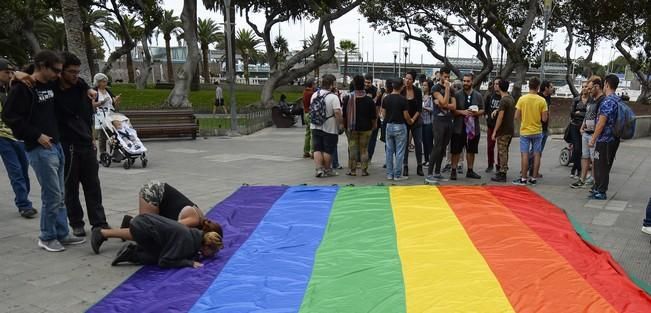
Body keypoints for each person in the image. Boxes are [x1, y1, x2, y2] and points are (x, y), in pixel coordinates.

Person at [2, 50, 86, 252]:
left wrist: (90, 90)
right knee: (52, 195)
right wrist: (36, 135)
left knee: (60, 193)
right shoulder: (23, 88)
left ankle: (61, 233)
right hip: (39, 148)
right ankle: (47, 236)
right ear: (42, 66)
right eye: (55, 70)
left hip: (55, 145)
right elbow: (10, 117)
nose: (59, 74)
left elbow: (77, 83)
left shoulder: (48, 84)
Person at [56, 52, 110, 237]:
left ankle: (99, 223)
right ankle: (76, 222)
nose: (75, 75)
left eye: (77, 72)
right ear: (60, 71)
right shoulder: (52, 89)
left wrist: (92, 138)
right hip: (67, 144)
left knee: (93, 186)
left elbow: (88, 116)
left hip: (86, 143)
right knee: (70, 187)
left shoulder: (80, 86)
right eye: (71, 72)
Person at [91, 180, 222, 253]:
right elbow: (168, 231)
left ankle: (129, 221)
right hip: (153, 193)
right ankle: (102, 233)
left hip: (161, 193)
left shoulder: (202, 220)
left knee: (149, 231)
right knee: (147, 233)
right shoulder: (193, 220)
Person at [110, 213, 223, 268]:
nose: (213, 255)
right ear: (206, 246)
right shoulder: (187, 242)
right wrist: (190, 263)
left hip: (143, 221)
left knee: (164, 247)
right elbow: (165, 262)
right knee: (156, 258)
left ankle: (136, 248)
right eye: (213, 252)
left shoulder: (194, 234)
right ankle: (131, 254)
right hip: (142, 228)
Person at [0, 58, 37, 218]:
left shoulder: (15, 88)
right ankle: (24, 204)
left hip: (19, 136)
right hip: (3, 137)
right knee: (16, 172)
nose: (9, 75)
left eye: (11, 72)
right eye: (5, 72)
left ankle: (23, 199)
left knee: (23, 171)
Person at [588, 74, 621, 200]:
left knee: (601, 165)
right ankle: (598, 188)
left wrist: (593, 139)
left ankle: (601, 191)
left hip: (605, 139)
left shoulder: (607, 101)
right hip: (613, 138)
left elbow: (601, 123)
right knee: (603, 164)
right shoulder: (617, 100)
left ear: (606, 84)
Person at [513, 77, 548, 185]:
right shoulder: (542, 100)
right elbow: (544, 119)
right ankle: (533, 178)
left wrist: (524, 120)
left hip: (525, 131)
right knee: (537, 154)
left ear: (529, 86)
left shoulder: (522, 99)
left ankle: (523, 178)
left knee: (525, 154)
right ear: (538, 87)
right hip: (537, 131)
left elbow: (516, 116)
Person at [571, 76, 603, 189]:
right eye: (587, 88)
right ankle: (582, 178)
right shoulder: (591, 100)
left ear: (597, 87)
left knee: (594, 159)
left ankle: (593, 180)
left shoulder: (601, 101)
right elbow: (588, 114)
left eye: (590, 89)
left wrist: (594, 136)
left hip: (594, 134)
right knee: (584, 156)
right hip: (586, 132)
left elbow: (601, 120)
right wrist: (583, 126)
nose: (588, 91)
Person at [425, 68, 456, 184]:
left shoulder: (452, 90)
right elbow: (443, 102)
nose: (447, 79)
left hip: (448, 120)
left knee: (443, 147)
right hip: (438, 121)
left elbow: (453, 106)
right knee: (437, 146)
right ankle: (429, 174)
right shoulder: (435, 88)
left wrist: (444, 104)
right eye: (445, 77)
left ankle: (437, 172)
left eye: (448, 77)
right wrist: (447, 89)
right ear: (441, 76)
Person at [451, 73, 484, 180]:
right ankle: (453, 170)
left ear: (472, 82)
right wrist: (463, 112)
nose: (465, 83)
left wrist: (476, 113)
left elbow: (483, 109)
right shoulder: (457, 95)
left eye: (467, 81)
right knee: (456, 150)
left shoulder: (478, 95)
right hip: (459, 127)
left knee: (471, 150)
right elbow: (453, 111)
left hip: (473, 128)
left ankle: (470, 170)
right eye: (464, 81)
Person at [343, 75, 377, 176]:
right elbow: (373, 116)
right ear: (363, 85)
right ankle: (364, 171)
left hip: (352, 129)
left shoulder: (347, 98)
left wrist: (345, 126)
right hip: (366, 129)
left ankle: (352, 171)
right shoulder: (369, 100)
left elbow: (344, 115)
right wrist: (374, 126)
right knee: (364, 150)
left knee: (353, 149)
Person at [310, 74, 343, 178]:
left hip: (315, 125)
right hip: (329, 127)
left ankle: (319, 169)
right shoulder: (333, 97)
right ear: (332, 84)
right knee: (328, 150)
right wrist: (340, 124)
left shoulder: (315, 95)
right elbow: (337, 112)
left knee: (317, 148)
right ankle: (328, 170)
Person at [382, 78, 412, 181]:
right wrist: (411, 121)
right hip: (400, 126)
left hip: (389, 125)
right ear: (402, 87)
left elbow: (383, 114)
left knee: (389, 151)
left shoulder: (386, 98)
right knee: (400, 152)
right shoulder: (403, 99)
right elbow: (406, 115)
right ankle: (397, 175)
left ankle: (389, 174)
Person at [490, 79, 515, 182]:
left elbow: (500, 117)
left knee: (502, 152)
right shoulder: (510, 98)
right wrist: (497, 110)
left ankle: (502, 172)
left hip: (503, 130)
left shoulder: (503, 100)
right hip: (510, 129)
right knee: (505, 150)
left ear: (500, 87)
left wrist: (495, 131)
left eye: (497, 85)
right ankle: (503, 169)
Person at [528, 80, 553, 177]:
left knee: (539, 151)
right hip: (537, 127)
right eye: (551, 87)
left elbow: (548, 112)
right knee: (534, 151)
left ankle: (534, 170)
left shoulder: (548, 97)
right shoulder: (539, 97)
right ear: (546, 88)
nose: (552, 89)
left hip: (545, 127)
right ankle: (528, 169)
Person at [401, 71, 423, 177]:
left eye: (409, 79)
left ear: (413, 80)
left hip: (416, 120)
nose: (407, 80)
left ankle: (419, 165)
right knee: (404, 144)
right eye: (406, 78)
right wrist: (407, 119)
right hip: (404, 121)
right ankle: (405, 166)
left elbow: (419, 108)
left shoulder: (417, 91)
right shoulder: (401, 91)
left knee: (418, 143)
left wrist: (413, 119)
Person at [93, 73, 120, 155]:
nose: (105, 83)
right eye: (103, 81)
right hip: (101, 113)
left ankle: (114, 153)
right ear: (98, 82)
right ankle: (103, 153)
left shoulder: (108, 90)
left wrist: (116, 101)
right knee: (103, 134)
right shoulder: (94, 91)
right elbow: (92, 104)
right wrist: (102, 102)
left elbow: (114, 103)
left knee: (114, 133)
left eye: (106, 81)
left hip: (111, 113)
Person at [569, 81, 589, 179]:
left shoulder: (591, 101)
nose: (584, 88)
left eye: (586, 87)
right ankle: (577, 169)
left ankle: (576, 168)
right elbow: (572, 113)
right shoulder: (576, 99)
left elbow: (589, 114)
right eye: (583, 86)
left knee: (581, 150)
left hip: (585, 127)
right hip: (575, 126)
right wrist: (580, 113)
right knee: (577, 148)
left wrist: (579, 113)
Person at [485, 77, 502, 173]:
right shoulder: (490, 96)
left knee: (500, 148)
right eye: (495, 84)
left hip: (501, 127)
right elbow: (486, 108)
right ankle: (490, 164)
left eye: (498, 84)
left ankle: (499, 165)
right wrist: (487, 116)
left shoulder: (504, 97)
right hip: (491, 125)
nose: (496, 85)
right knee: (490, 147)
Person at [364, 74, 381, 163]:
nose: (366, 84)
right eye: (365, 82)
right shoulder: (360, 89)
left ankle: (369, 157)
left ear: (372, 82)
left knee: (372, 140)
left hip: (373, 119)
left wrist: (376, 120)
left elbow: (377, 107)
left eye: (369, 82)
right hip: (363, 120)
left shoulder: (375, 90)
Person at [421, 80, 434, 168]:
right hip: (421, 122)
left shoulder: (431, 97)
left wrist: (424, 108)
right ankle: (426, 160)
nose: (423, 87)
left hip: (429, 122)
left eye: (425, 85)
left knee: (429, 142)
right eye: (422, 85)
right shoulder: (421, 96)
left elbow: (433, 109)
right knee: (424, 142)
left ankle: (431, 160)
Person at [302, 79, 315, 158]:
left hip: (305, 113)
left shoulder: (304, 92)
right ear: (312, 85)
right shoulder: (311, 93)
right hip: (310, 113)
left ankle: (306, 151)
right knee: (313, 133)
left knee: (307, 133)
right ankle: (313, 152)